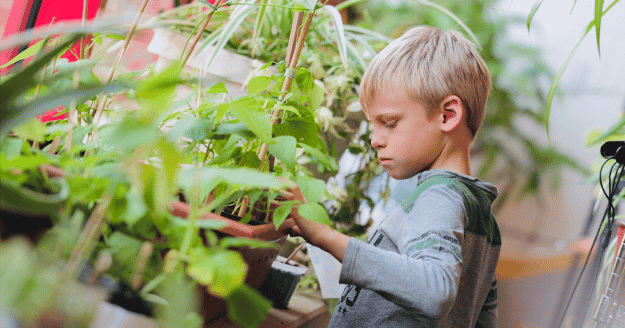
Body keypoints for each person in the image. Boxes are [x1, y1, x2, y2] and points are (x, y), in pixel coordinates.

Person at [283, 26, 500, 327]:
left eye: (389, 122)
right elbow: (483, 316)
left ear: (448, 115)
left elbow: (435, 290)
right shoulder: (482, 215)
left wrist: (324, 236)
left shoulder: (440, 198)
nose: (375, 140)